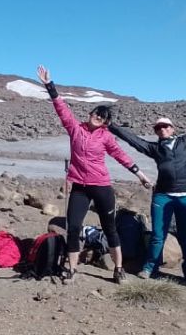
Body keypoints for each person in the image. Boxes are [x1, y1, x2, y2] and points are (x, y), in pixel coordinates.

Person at [37, 65, 151, 283]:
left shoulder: (105, 137)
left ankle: (118, 269)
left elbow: (120, 155)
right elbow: (61, 109)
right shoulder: (75, 128)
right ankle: (72, 269)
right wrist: (49, 85)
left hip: (101, 187)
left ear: (106, 122)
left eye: (103, 117)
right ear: (90, 114)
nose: (98, 117)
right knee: (73, 228)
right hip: (80, 187)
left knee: (110, 229)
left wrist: (139, 174)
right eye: (97, 113)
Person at [109, 92, 186, 283]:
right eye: (158, 128)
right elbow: (133, 140)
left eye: (165, 126)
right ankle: (149, 268)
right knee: (158, 235)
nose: (162, 129)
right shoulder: (155, 149)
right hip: (163, 196)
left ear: (172, 128)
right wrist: (111, 126)